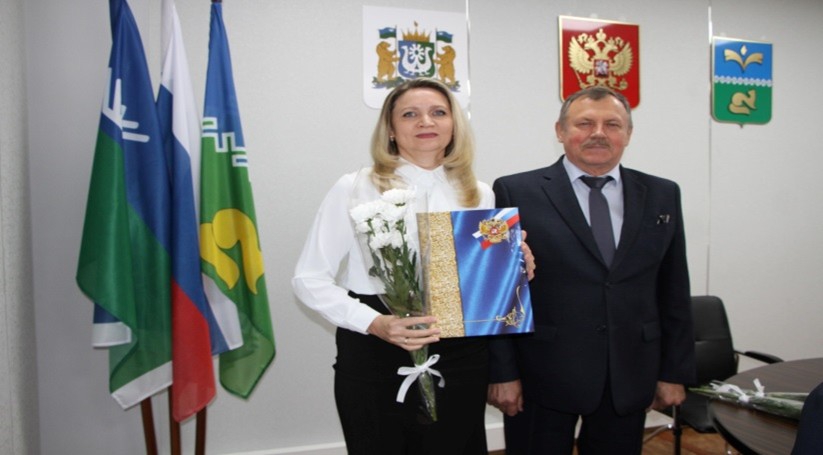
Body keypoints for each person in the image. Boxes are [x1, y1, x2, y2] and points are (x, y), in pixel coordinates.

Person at [293, 78, 534, 455]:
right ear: (390, 128)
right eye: (410, 114)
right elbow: (308, 279)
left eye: (439, 112)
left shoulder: (479, 192)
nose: (426, 121)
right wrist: (375, 323)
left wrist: (516, 269)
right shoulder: (355, 187)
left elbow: (484, 284)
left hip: (462, 357)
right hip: (375, 349)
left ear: (454, 124)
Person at [487, 86, 696, 454]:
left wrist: (673, 372)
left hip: (629, 374)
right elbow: (501, 293)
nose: (599, 133)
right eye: (584, 123)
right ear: (560, 131)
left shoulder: (662, 194)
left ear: (628, 134)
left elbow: (673, 288)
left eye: (612, 124)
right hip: (542, 375)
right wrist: (503, 374)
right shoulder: (515, 191)